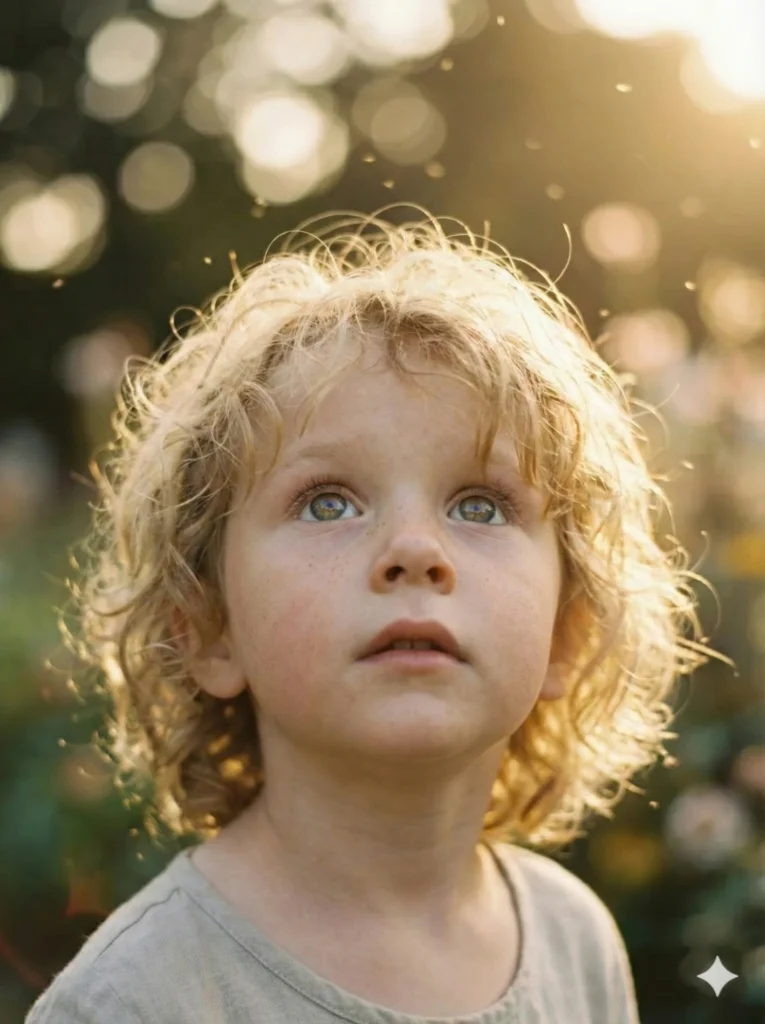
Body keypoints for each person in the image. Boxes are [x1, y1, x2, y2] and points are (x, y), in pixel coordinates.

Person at [26, 207, 720, 1023]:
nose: (416, 549)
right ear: (208, 627)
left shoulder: (576, 942)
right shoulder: (137, 1001)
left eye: (482, 504)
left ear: (567, 632)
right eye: (327, 502)